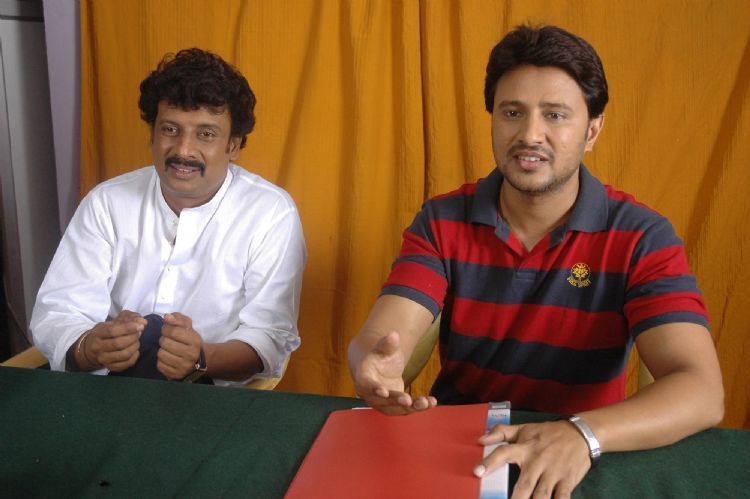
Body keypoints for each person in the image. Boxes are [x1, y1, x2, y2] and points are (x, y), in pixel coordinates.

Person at [348, 25, 723, 497]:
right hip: (463, 449)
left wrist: (582, 434)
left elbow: (701, 391)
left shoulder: (642, 236)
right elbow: (382, 338)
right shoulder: (442, 219)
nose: (529, 135)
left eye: (555, 115)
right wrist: (369, 365)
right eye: (512, 113)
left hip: (586, 451)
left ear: (592, 130)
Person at [31, 48, 306, 387]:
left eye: (206, 134)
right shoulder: (107, 202)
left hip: (206, 395)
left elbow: (269, 336)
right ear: (152, 135)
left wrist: (203, 358)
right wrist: (90, 348)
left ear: (234, 145)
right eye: (170, 129)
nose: (183, 150)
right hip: (102, 388)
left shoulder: (270, 213)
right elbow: (59, 312)